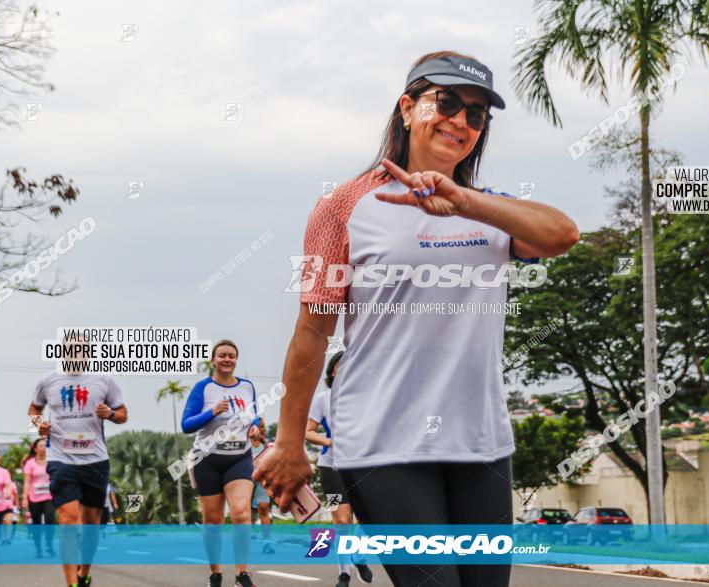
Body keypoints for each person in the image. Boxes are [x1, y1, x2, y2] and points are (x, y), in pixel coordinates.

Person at [254, 50, 579, 587]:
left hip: (481, 443)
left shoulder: (490, 211)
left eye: (477, 115)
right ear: (407, 107)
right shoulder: (344, 207)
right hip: (383, 441)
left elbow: (562, 234)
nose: (461, 121)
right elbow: (313, 330)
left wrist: (466, 202)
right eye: (446, 103)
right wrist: (289, 442)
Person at [29, 361, 128, 587]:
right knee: (68, 521)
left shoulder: (103, 380)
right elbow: (34, 409)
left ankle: (84, 574)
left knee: (91, 526)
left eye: (82, 349)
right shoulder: (48, 380)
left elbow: (123, 414)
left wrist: (110, 413)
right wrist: (38, 426)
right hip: (61, 459)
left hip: (95, 460)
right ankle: (72, 584)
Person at [181, 339, 260, 587]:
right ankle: (215, 573)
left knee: (241, 513)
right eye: (223, 355)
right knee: (213, 520)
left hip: (239, 457)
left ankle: (241, 574)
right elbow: (186, 425)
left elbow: (253, 416)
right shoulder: (203, 388)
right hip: (208, 460)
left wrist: (256, 427)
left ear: (236, 360)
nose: (228, 359)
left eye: (232, 356)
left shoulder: (247, 387)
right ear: (213, 360)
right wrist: (212, 412)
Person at [306, 351, 372, 587]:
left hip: (363, 466)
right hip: (330, 469)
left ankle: (358, 555)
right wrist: (328, 441)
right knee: (341, 519)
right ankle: (344, 574)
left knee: (368, 517)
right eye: (339, 365)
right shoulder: (323, 399)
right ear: (332, 371)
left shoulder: (367, 396)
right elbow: (309, 431)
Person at [23, 438, 56, 558]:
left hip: (49, 496)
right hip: (34, 497)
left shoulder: (52, 461)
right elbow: (27, 481)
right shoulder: (30, 463)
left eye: (46, 445)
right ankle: (38, 548)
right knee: (36, 524)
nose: (44, 447)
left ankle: (49, 544)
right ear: (36, 449)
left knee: (50, 520)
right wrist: (24, 498)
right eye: (41, 446)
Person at [248, 421, 274, 555]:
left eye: (264, 427)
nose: (262, 429)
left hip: (261, 481)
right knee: (244, 510)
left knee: (263, 507)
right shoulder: (244, 443)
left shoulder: (266, 445)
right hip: (245, 480)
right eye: (260, 427)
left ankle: (267, 542)